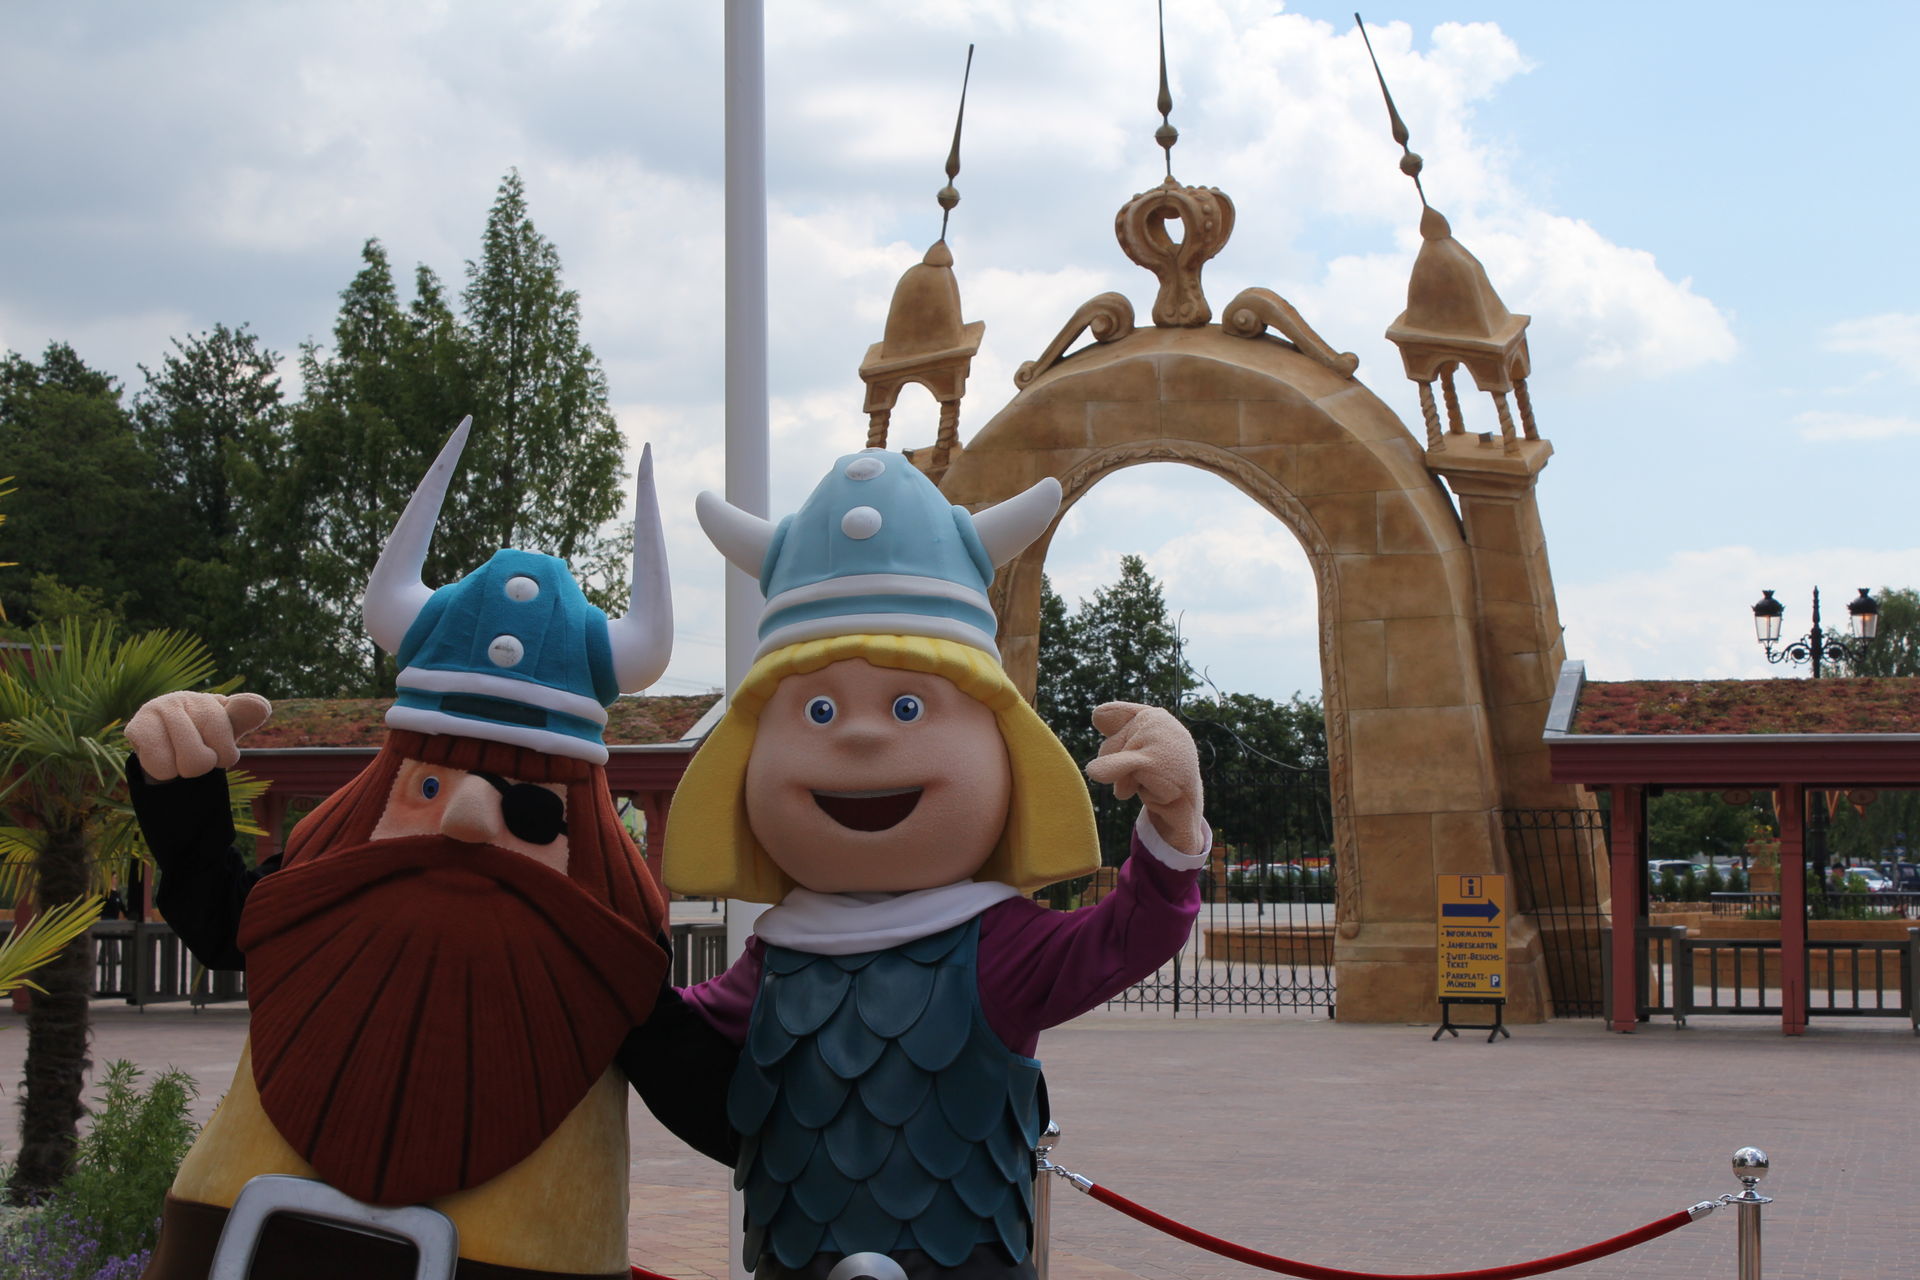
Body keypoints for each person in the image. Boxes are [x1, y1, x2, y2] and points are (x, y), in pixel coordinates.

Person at [125, 424, 733, 1280]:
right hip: (242, 1240)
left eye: (532, 812)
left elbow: (717, 1108)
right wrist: (178, 787)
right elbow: (218, 913)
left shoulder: (612, 976)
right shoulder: (312, 903)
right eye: (430, 786)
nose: (468, 823)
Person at [665, 450, 1208, 1280]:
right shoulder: (782, 951)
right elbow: (681, 1030)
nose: (860, 735)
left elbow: (1123, 938)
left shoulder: (995, 942)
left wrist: (1174, 824)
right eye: (818, 710)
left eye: (909, 705)